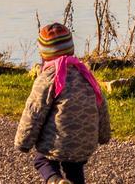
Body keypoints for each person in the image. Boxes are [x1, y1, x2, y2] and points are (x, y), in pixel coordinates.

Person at [14, 22, 111, 184]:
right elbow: (102, 106)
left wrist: (23, 143)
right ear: (71, 48)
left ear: (44, 54)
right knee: (74, 169)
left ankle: (55, 181)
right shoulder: (86, 74)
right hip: (84, 141)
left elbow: (34, 111)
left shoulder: (48, 78)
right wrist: (104, 135)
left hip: (58, 140)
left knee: (42, 161)